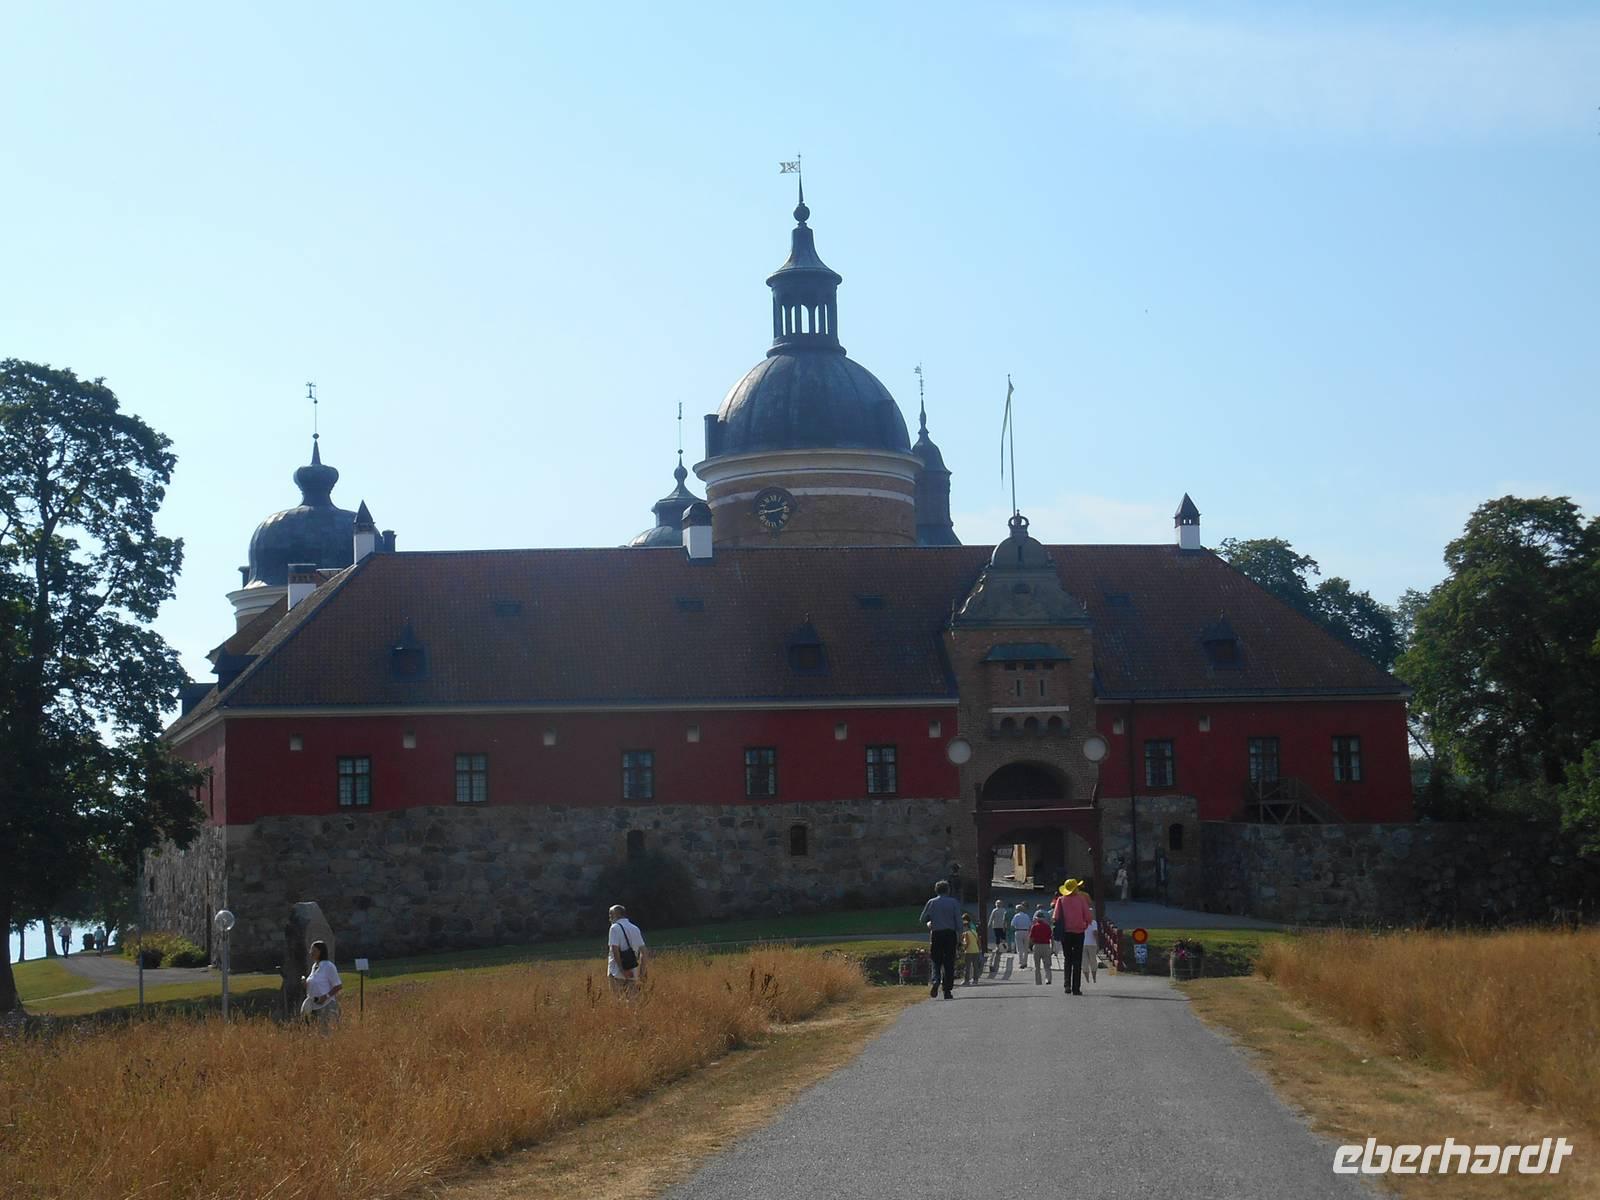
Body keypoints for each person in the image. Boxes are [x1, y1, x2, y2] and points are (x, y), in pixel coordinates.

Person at [918, 880, 962, 1000]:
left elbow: (922, 918)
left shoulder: (931, 902)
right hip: (950, 934)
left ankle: (936, 980)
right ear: (948, 890)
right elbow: (959, 921)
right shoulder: (953, 902)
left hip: (936, 934)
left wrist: (929, 922)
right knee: (949, 962)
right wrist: (960, 936)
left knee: (936, 960)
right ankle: (947, 990)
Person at [1052, 878, 1094, 996]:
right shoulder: (1081, 899)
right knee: (1077, 960)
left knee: (1067, 959)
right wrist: (1085, 924)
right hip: (1079, 932)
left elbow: (1055, 917)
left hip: (1066, 933)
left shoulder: (1060, 900)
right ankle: (1076, 988)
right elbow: (1088, 917)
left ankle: (1067, 985)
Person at [302, 940, 343, 1027]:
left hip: (326, 1005)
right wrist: (305, 983)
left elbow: (338, 986)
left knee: (327, 1034)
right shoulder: (315, 966)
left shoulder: (329, 966)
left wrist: (326, 997)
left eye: (314, 950)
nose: (311, 952)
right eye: (311, 950)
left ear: (321, 952)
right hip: (314, 1006)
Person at [608, 904, 646, 995]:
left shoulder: (614, 928)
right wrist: (641, 972)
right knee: (632, 1002)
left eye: (610, 915)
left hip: (616, 972)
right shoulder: (635, 928)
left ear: (616, 915)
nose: (609, 918)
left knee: (618, 1001)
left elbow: (615, 949)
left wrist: (622, 970)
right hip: (633, 972)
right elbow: (644, 952)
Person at [1028, 909, 1054, 985]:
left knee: (1037, 966)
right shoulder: (1047, 927)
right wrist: (1052, 947)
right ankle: (1048, 979)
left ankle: (1038, 981)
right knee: (1047, 965)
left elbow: (1031, 938)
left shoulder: (1034, 927)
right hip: (1046, 945)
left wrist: (1030, 946)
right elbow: (1051, 937)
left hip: (1037, 945)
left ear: (1037, 918)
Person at [959, 915, 982, 985]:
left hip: (969, 951)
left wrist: (964, 948)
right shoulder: (974, 932)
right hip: (976, 950)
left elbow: (967, 942)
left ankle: (966, 980)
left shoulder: (966, 933)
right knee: (975, 966)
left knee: (967, 966)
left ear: (965, 926)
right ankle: (975, 980)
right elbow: (978, 941)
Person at [1010, 904, 1032, 968]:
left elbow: (1012, 924)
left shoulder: (1016, 916)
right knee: (1026, 948)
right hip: (1026, 931)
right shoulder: (1026, 916)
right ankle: (1025, 962)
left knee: (1020, 948)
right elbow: (1030, 924)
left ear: (1018, 910)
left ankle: (1021, 962)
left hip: (1018, 931)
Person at [1081, 915, 1100, 984]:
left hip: (1082, 944)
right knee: (1093, 961)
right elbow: (1095, 933)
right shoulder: (1093, 922)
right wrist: (1097, 943)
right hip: (1092, 944)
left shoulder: (1080, 921)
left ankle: (1087, 979)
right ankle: (1094, 978)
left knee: (1084, 962)